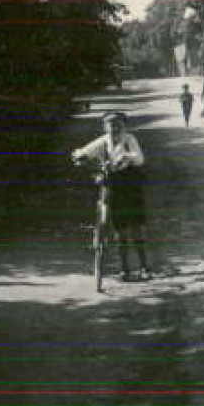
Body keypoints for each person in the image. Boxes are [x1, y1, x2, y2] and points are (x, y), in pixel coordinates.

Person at [70, 110, 153, 284]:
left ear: (124, 126)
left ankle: (145, 267)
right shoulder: (103, 141)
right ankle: (125, 269)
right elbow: (84, 151)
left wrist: (126, 156)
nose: (114, 127)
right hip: (113, 186)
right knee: (120, 230)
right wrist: (79, 156)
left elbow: (140, 158)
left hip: (130, 185)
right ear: (104, 126)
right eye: (110, 124)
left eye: (117, 124)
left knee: (137, 227)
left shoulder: (129, 140)